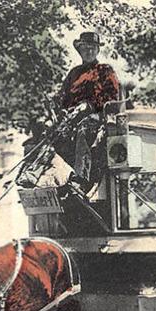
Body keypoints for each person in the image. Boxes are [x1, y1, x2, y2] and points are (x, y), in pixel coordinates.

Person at [55, 31, 120, 192]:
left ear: (98, 50)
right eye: (85, 48)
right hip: (73, 118)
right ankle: (63, 177)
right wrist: (60, 108)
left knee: (84, 130)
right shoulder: (74, 73)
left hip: (97, 116)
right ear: (80, 50)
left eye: (92, 48)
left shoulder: (105, 70)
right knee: (56, 137)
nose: (89, 51)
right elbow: (63, 96)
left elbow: (112, 96)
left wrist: (89, 105)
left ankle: (83, 178)